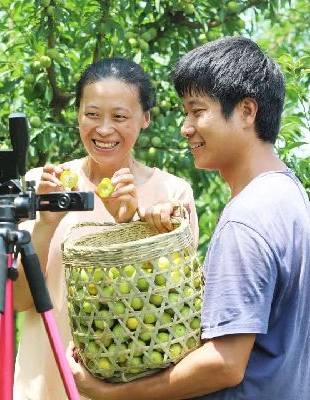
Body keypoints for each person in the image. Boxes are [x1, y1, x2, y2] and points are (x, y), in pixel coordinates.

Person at [67, 36, 310, 399]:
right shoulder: (286, 194)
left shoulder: (246, 218)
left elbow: (224, 364)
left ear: (247, 112)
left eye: (197, 111)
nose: (186, 127)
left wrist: (110, 394)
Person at [12, 57, 199, 399]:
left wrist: (129, 225)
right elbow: (20, 299)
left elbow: (171, 314)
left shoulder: (172, 196)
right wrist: (45, 223)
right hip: (44, 384)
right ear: (78, 114)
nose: (104, 129)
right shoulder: (44, 185)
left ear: (145, 118)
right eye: (92, 114)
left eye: (120, 117)